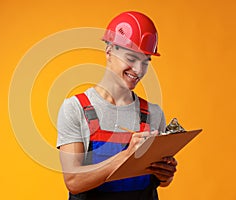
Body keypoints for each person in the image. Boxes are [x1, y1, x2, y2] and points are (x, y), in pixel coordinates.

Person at [56, 11, 177, 200]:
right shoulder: (76, 108)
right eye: (131, 58)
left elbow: (160, 182)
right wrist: (126, 156)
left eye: (145, 62)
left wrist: (165, 174)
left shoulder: (153, 113)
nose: (138, 70)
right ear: (109, 52)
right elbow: (74, 181)